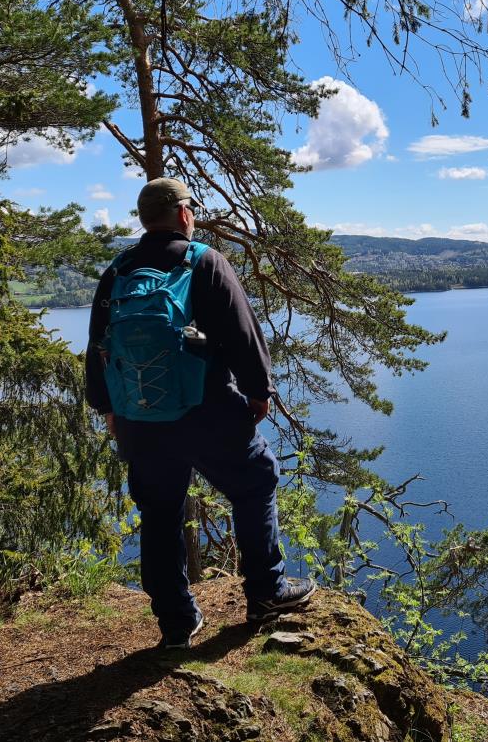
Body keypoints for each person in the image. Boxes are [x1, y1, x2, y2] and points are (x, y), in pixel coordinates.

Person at [85, 177, 315, 649]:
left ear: (145, 219)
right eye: (191, 207)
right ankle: (267, 591)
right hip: (205, 409)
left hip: (140, 417)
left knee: (160, 510)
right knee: (256, 481)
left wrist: (108, 407)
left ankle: (175, 624)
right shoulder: (204, 261)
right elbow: (243, 333)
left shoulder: (118, 272)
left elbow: (97, 346)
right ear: (184, 214)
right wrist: (258, 391)